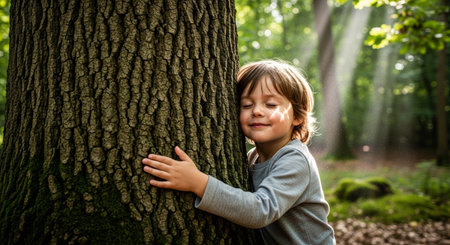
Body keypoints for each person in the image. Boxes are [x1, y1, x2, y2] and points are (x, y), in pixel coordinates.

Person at [142, 60, 335, 244]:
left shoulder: (295, 159)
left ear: (298, 117)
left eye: (270, 105)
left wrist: (197, 182)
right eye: (247, 105)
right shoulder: (252, 158)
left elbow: (261, 210)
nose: (257, 111)